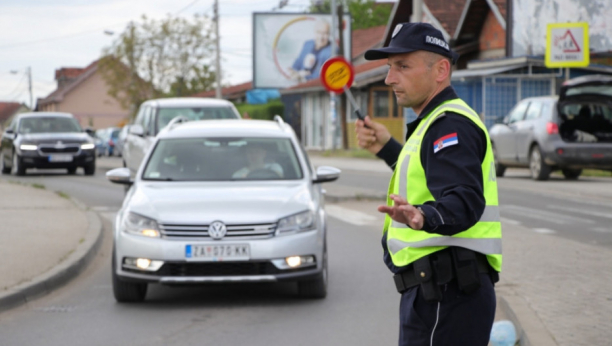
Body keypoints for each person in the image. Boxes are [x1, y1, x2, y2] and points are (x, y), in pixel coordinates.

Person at [355, 22, 502, 346]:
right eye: (390, 67)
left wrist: (425, 216)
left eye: (403, 66)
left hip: (446, 293)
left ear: (441, 70)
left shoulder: (448, 124)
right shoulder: (436, 121)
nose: (390, 78)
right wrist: (387, 147)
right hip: (443, 292)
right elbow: (433, 176)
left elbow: (464, 198)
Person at [288, 19, 332, 83]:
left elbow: (325, 74)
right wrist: (293, 70)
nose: (321, 37)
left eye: (325, 33)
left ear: (329, 34)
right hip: (298, 83)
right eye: (318, 32)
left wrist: (303, 77)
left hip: (316, 88)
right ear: (314, 32)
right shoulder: (308, 44)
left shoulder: (333, 50)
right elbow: (299, 61)